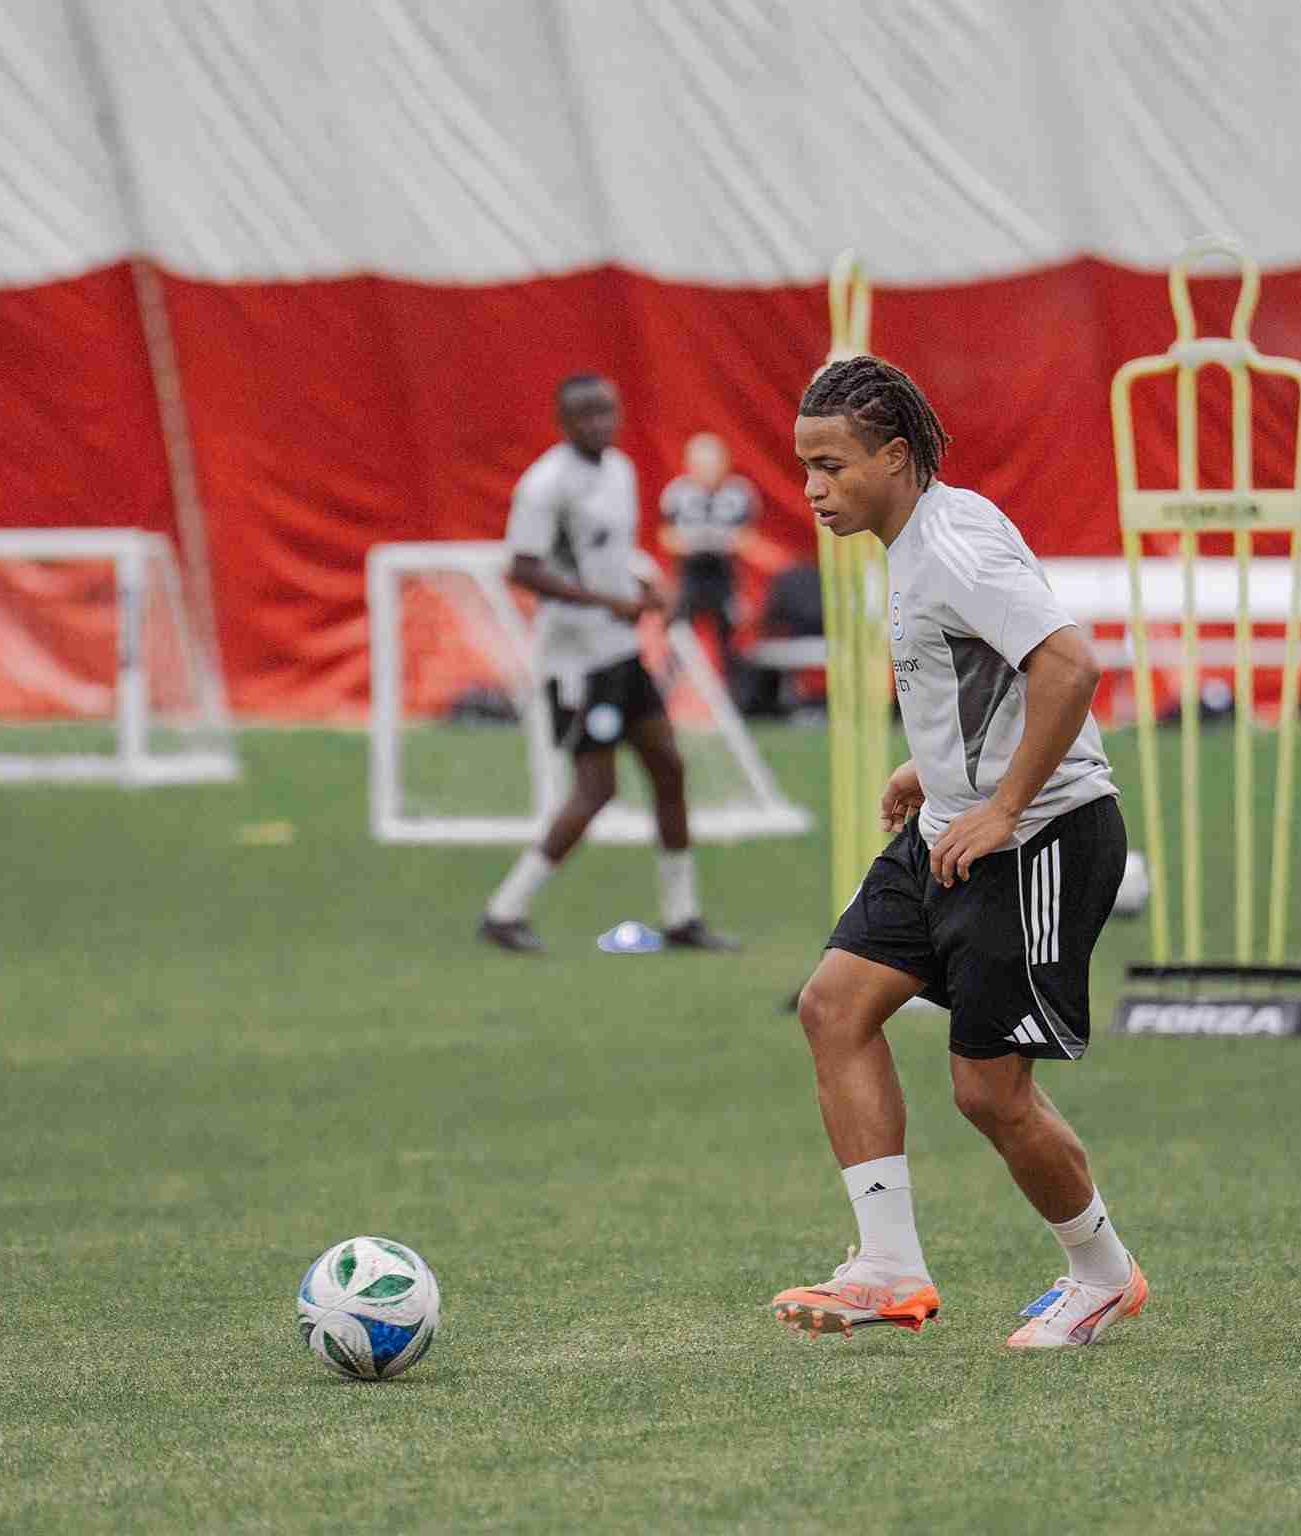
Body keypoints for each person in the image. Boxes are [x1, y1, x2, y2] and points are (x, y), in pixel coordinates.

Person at [770, 355, 1143, 1351]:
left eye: (833, 465)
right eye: (805, 465)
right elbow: (986, 677)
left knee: (988, 1092)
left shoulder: (955, 546)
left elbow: (1071, 665)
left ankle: (1102, 1277)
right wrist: (928, 765)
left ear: (896, 456)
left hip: (1040, 839)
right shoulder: (920, 533)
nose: (814, 487)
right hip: (948, 826)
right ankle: (889, 1269)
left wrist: (1004, 805)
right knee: (833, 1007)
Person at [479, 374, 737, 955]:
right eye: (585, 415)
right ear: (563, 421)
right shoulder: (544, 485)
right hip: (575, 662)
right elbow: (521, 568)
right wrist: (608, 604)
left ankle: (681, 916)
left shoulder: (619, 469)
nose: (599, 424)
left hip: (620, 654)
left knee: (669, 768)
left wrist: (651, 585)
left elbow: (615, 555)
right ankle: (504, 910)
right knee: (596, 789)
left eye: (607, 412)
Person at [657, 432, 757, 664]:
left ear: (725, 463)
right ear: (689, 465)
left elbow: (749, 538)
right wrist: (694, 542)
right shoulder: (676, 493)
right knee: (677, 638)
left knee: (733, 643)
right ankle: (666, 690)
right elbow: (666, 537)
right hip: (690, 576)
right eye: (701, 465)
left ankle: (737, 694)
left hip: (725, 577)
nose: (708, 471)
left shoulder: (740, 492)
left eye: (713, 464)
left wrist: (722, 541)